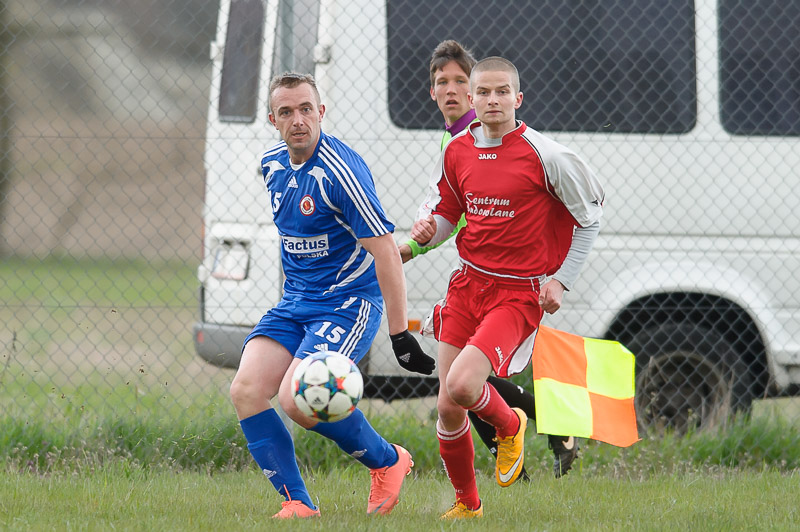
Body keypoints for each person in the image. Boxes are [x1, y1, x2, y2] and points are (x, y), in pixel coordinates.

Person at [229, 72, 435, 520]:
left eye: (306, 109)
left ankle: (387, 461)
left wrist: (400, 335)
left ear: (321, 113)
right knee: (245, 390)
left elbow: (386, 253)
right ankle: (298, 503)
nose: (297, 120)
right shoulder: (272, 165)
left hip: (347, 303)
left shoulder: (340, 171)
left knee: (298, 400)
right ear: (272, 119)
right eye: (286, 112)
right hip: (296, 302)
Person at [411, 57, 604, 519]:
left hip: (517, 294)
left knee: (462, 384)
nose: (492, 100)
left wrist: (562, 280)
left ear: (518, 99)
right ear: (472, 101)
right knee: (448, 404)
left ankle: (510, 422)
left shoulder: (546, 155)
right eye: (484, 93)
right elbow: (447, 215)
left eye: (502, 92)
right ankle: (467, 505)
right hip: (467, 284)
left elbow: (590, 219)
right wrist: (416, 240)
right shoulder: (457, 150)